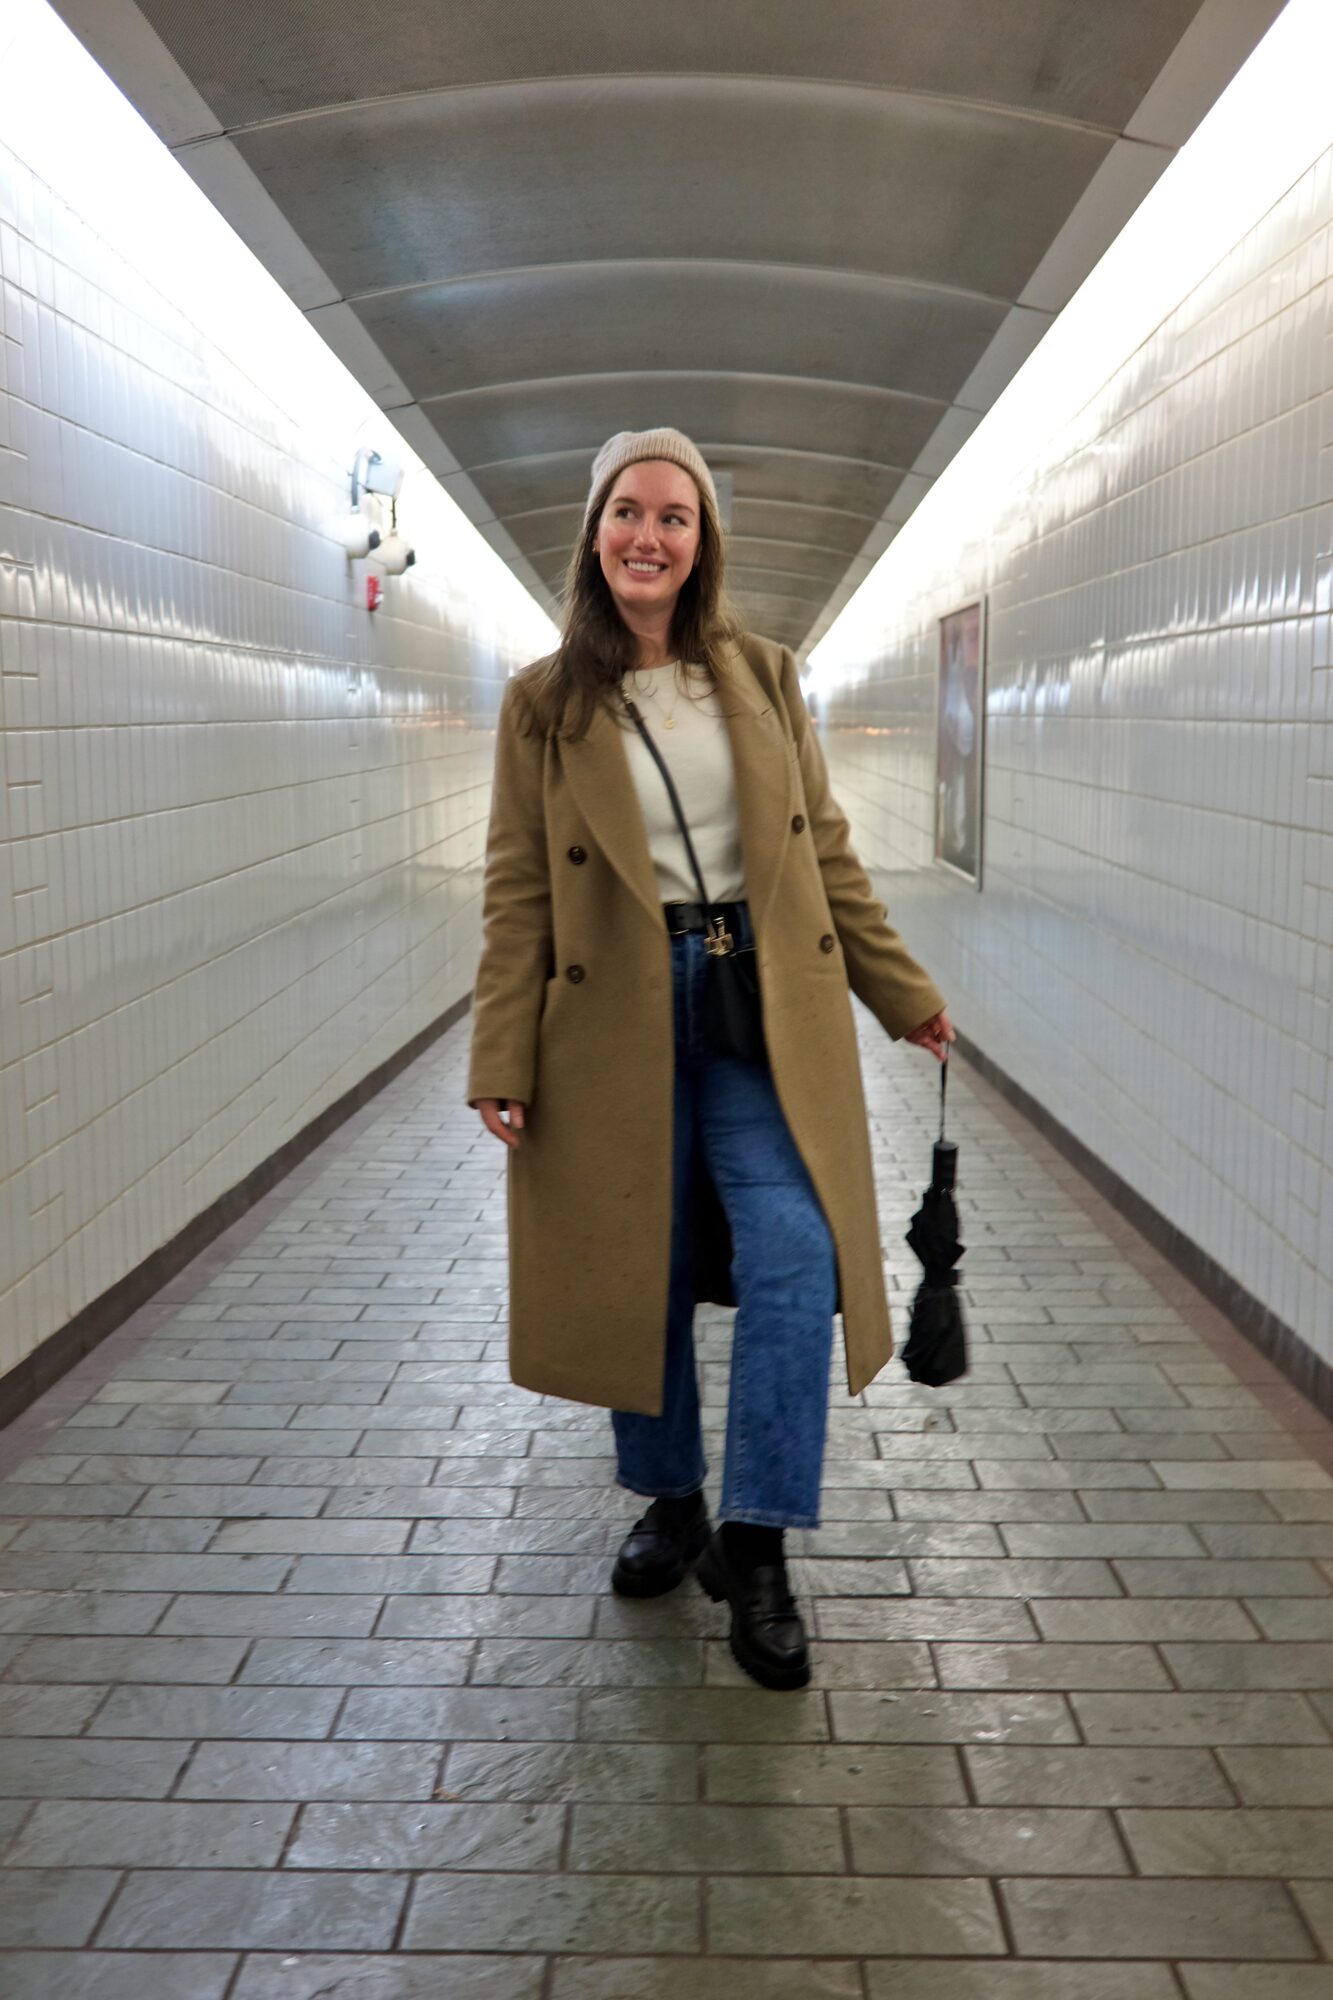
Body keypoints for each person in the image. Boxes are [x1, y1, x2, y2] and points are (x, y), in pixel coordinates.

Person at [468, 427, 954, 1690]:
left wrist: (903, 994)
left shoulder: (764, 675)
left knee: (795, 1249)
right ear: (594, 533)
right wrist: (499, 1057)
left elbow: (825, 854)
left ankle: (758, 1538)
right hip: (610, 1019)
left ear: (702, 542)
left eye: (673, 517)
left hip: (752, 1005)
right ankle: (672, 1498)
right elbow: (519, 892)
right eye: (627, 511)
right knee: (649, 1255)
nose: (648, 535)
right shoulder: (544, 700)